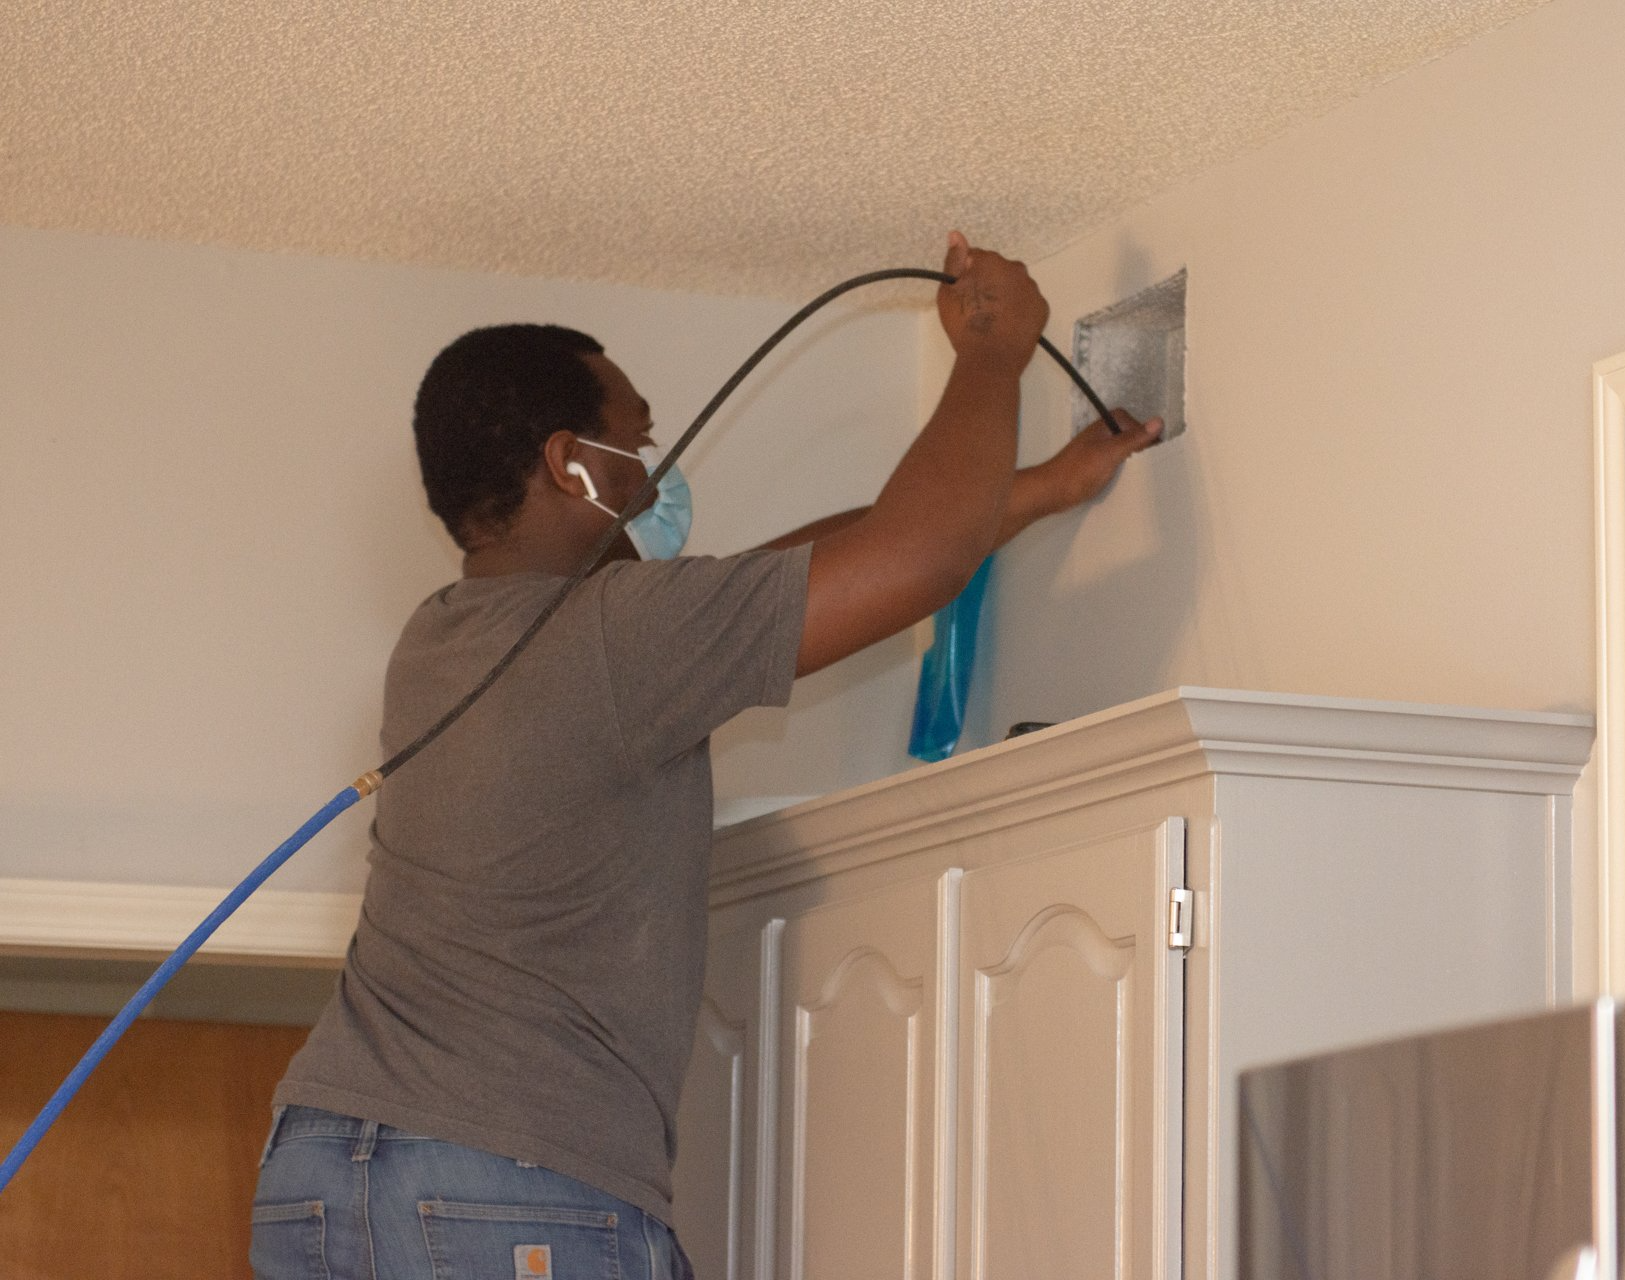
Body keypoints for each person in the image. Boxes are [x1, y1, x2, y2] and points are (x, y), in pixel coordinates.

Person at [249, 233, 1161, 1279]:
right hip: (498, 1180)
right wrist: (991, 355)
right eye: (638, 442)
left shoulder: (445, 637)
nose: (654, 474)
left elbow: (803, 575)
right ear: (570, 464)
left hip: (320, 1178)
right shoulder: (614, 638)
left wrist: (1039, 487)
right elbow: (908, 559)